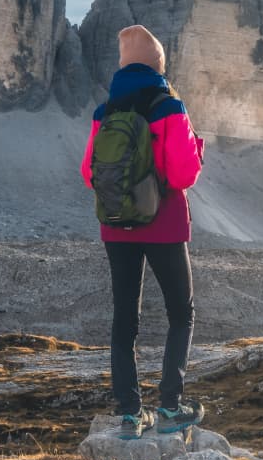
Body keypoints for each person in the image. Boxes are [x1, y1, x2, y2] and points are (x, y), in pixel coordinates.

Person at [80, 25, 206, 438]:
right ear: (158, 64)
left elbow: (88, 173)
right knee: (180, 314)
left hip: (116, 227)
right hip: (164, 222)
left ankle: (131, 416)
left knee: (124, 320)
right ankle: (170, 407)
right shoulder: (168, 105)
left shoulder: (105, 111)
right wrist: (197, 146)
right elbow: (183, 173)